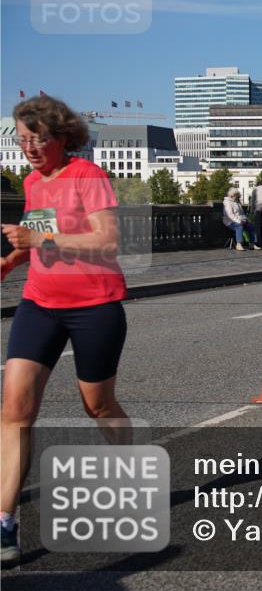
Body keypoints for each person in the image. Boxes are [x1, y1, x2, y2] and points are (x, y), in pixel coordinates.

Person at [0, 96, 131, 565]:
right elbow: (41, 236)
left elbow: (107, 239)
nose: (30, 148)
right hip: (39, 302)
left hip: (94, 305)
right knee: (14, 409)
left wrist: (39, 239)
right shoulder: (33, 182)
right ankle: (5, 523)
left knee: (97, 405)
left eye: (39, 138)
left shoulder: (88, 177)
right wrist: (13, 259)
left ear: (62, 138)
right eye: (22, 138)